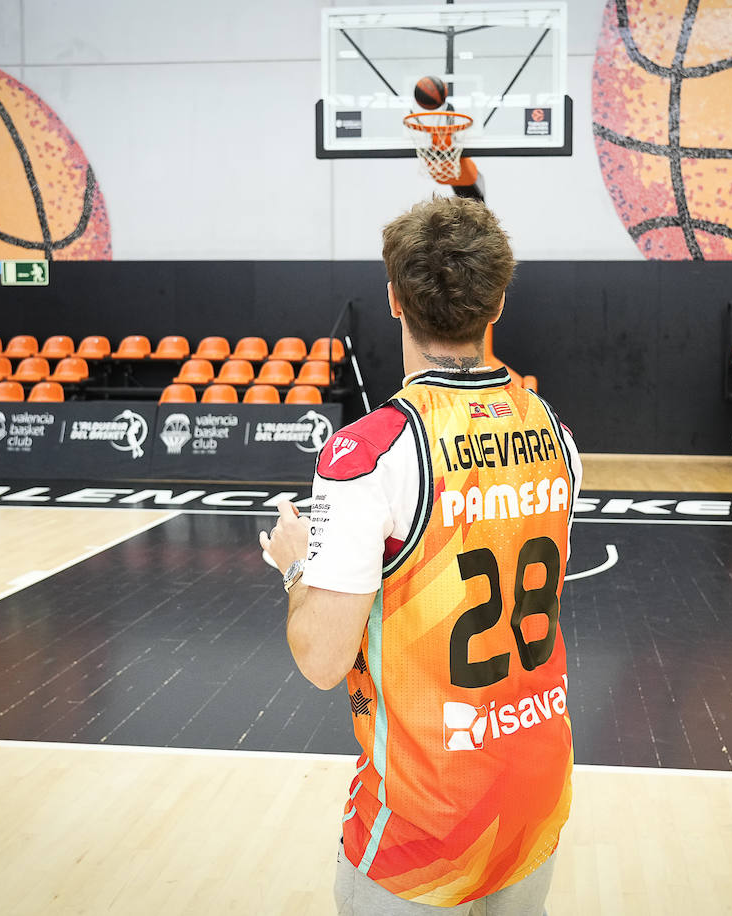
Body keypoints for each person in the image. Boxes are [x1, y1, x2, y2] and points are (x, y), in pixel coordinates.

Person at [260, 196, 581, 914]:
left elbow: (321, 661)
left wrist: (294, 567)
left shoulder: (368, 454)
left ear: (393, 299)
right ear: (497, 302)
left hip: (427, 819)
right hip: (535, 790)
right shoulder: (554, 434)